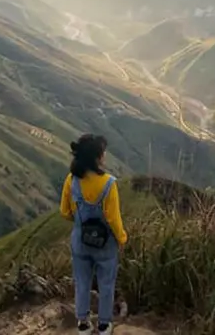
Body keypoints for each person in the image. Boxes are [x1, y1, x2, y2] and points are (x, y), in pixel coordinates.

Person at [60, 134, 127, 334]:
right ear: (97, 157)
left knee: (82, 282)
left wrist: (81, 223)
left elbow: (64, 212)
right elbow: (113, 219)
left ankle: (83, 323)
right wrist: (122, 238)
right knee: (106, 283)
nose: (105, 155)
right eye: (102, 152)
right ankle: (104, 325)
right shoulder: (108, 183)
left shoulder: (71, 180)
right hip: (105, 245)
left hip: (80, 241)